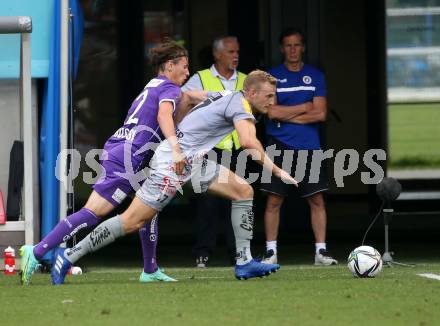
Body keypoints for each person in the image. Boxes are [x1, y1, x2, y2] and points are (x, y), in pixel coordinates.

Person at [48, 70, 298, 285]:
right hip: (172, 164)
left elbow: (187, 97)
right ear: (251, 93)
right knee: (131, 222)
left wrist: (181, 132)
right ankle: (68, 255)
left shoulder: (228, 97)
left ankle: (244, 262)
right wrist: (278, 171)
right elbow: (248, 142)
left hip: (191, 161)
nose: (272, 101)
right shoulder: (239, 105)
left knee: (243, 190)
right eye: (268, 96)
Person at [19, 40, 205, 285]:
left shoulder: (155, 86)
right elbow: (163, 116)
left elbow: (181, 103)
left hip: (127, 151)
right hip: (128, 157)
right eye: (184, 66)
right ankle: (37, 251)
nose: (188, 72)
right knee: (93, 213)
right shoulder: (169, 88)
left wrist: (196, 98)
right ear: (170, 65)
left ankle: (150, 269)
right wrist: (177, 149)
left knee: (150, 209)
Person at [261, 28, 338, 266]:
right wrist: (305, 107)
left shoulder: (316, 76)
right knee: (274, 201)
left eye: (296, 45)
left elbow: (321, 113)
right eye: (288, 45)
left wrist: (286, 115)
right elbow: (270, 111)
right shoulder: (271, 77)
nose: (292, 50)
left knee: (316, 200)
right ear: (281, 48)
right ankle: (271, 251)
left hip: (309, 147)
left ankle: (321, 252)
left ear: (303, 47)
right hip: (279, 145)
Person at [182, 36, 246, 267]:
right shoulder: (200, 78)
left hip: (237, 150)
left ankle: (238, 253)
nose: (235, 55)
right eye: (230, 52)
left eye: (237, 51)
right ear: (217, 55)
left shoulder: (246, 80)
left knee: (237, 201)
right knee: (207, 203)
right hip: (209, 149)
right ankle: (203, 252)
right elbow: (181, 102)